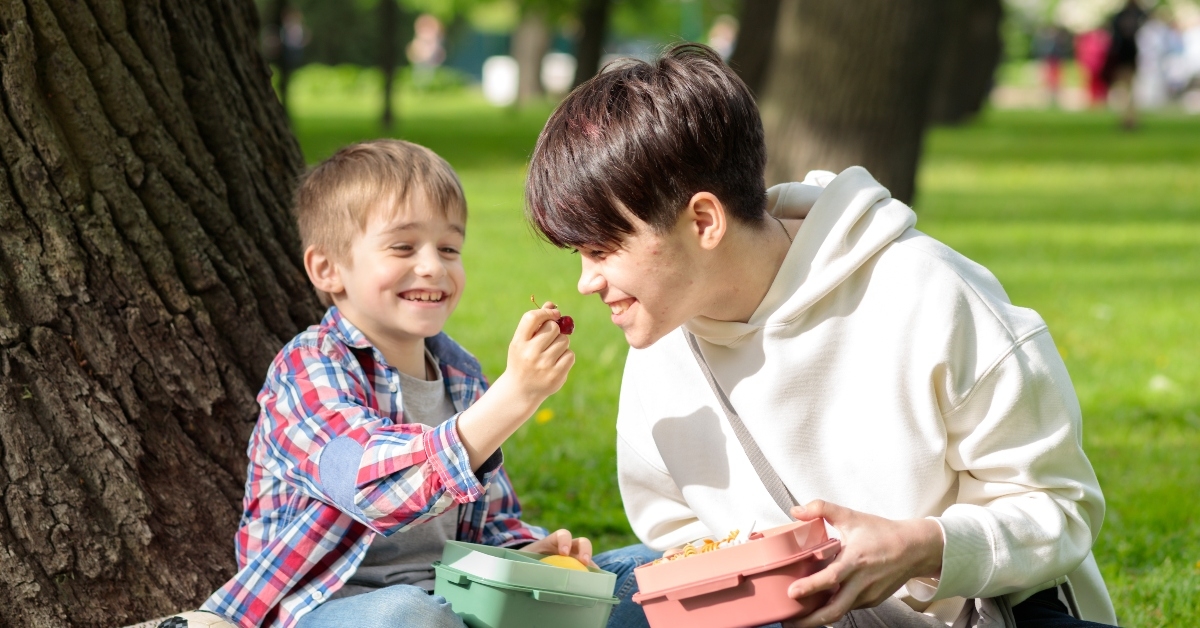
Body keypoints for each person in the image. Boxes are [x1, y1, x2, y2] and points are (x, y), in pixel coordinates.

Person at [526, 44, 1118, 628]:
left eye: (603, 249)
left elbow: (1061, 507)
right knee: (572, 600)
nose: (586, 282)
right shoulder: (662, 334)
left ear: (704, 221)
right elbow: (680, 539)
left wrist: (919, 547)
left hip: (980, 610)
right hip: (788, 616)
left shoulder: (928, 293)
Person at [200, 140, 588, 627]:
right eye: (403, 246)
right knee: (409, 616)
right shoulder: (309, 369)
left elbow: (487, 520)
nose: (433, 266)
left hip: (448, 597)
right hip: (329, 610)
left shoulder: (461, 375)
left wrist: (527, 553)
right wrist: (513, 398)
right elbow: (372, 487)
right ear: (328, 269)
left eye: (449, 248)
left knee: (628, 577)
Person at [1104, 0, 1148, 128]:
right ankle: (1128, 118)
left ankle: (1129, 118)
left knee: (1130, 91)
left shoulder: (1139, 15)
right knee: (1125, 90)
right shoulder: (1133, 16)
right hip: (1124, 59)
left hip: (1133, 58)